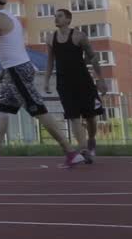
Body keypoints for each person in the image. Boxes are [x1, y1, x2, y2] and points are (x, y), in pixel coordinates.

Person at [0, 0, 85, 169]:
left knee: (38, 110)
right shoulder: (11, 17)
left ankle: (70, 152)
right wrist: (4, 72)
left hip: (17, 71)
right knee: (3, 110)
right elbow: (11, 48)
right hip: (16, 69)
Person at [44, 9, 106, 162]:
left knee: (91, 116)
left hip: (84, 82)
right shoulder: (51, 38)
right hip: (64, 83)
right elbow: (50, 61)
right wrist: (46, 80)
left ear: (68, 19)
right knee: (73, 117)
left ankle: (91, 140)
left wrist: (101, 80)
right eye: (55, 16)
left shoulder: (79, 36)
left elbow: (92, 57)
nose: (56, 18)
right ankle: (83, 149)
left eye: (60, 16)